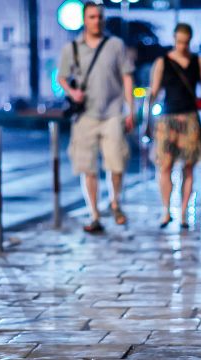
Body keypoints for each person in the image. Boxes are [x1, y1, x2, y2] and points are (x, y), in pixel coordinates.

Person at [57, 1, 135, 233]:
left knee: (117, 162)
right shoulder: (72, 48)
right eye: (92, 17)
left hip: (113, 112)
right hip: (85, 116)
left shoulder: (115, 45)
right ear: (84, 20)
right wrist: (71, 92)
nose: (96, 21)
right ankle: (94, 215)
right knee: (87, 167)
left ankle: (114, 202)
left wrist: (130, 109)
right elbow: (62, 77)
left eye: (100, 17)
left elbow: (127, 77)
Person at [147, 23, 201, 229]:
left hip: (190, 118)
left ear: (190, 40)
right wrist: (147, 122)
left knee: (189, 166)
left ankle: (183, 213)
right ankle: (166, 211)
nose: (182, 46)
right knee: (165, 165)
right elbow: (153, 92)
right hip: (167, 120)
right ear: (174, 39)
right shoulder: (162, 61)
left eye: (186, 42)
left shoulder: (198, 62)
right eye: (179, 42)